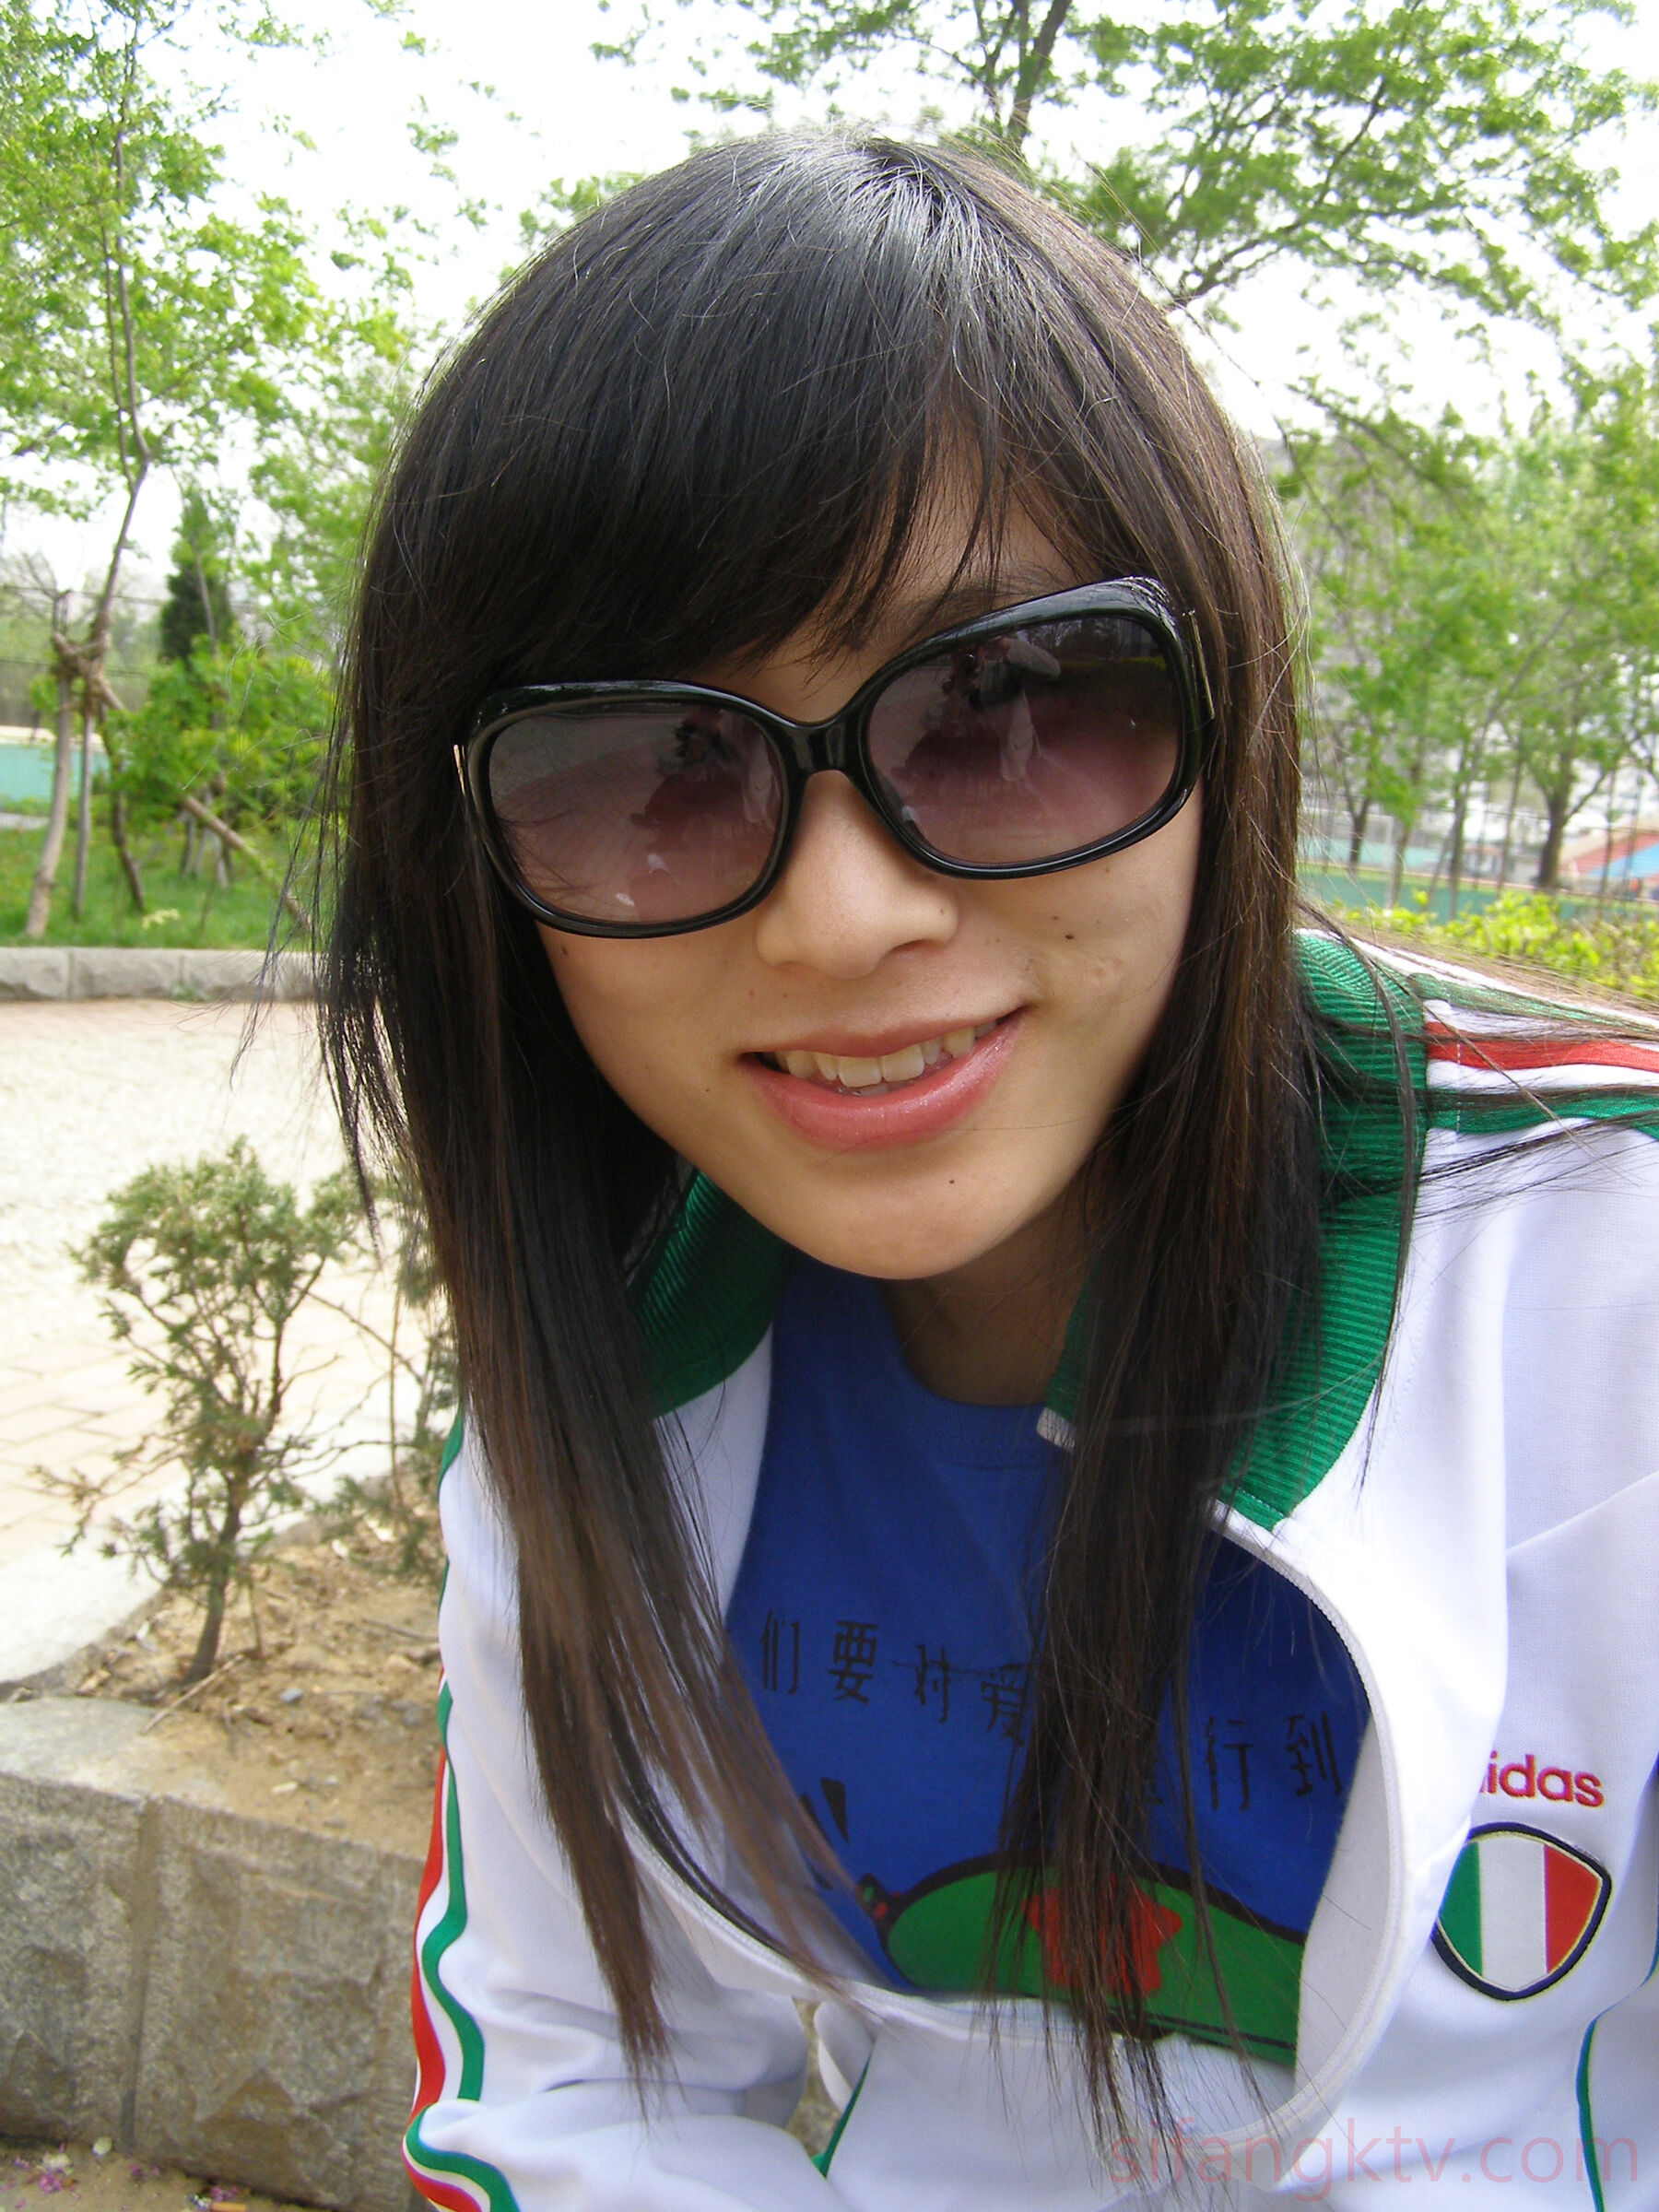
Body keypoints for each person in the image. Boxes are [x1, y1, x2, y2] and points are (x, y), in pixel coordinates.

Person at [321, 135, 1659, 2208]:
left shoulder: (1611, 1273)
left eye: (1009, 703)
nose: (843, 919)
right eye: (650, 763)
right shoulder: (607, 1368)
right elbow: (570, 2086)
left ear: (1228, 713)